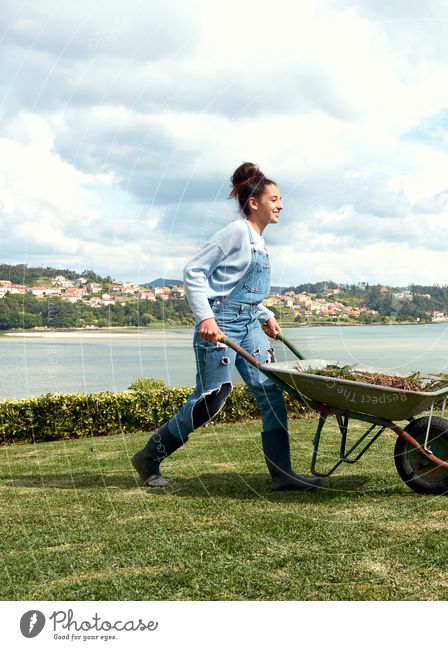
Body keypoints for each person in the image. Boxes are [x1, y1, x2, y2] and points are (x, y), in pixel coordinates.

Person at [131, 162, 322, 491]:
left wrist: (266, 315)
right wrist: (205, 317)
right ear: (254, 202)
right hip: (220, 323)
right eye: (274, 198)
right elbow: (194, 272)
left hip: (248, 323)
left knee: (270, 390)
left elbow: (241, 291)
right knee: (211, 400)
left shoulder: (259, 243)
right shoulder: (235, 233)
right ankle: (149, 457)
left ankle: (283, 474)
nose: (281, 205)